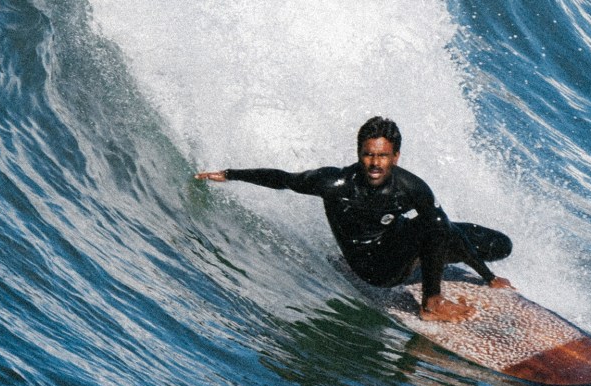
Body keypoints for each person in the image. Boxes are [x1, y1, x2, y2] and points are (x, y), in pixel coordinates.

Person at [195, 116, 513, 322]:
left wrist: (488, 277)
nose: (375, 163)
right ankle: (432, 302)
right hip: (374, 269)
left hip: (400, 248)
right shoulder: (334, 184)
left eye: (383, 155)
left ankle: (434, 264)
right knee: (435, 226)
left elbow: (442, 227)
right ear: (359, 152)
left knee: (496, 244)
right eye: (368, 154)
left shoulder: (412, 187)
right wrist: (229, 174)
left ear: (396, 157)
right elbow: (284, 179)